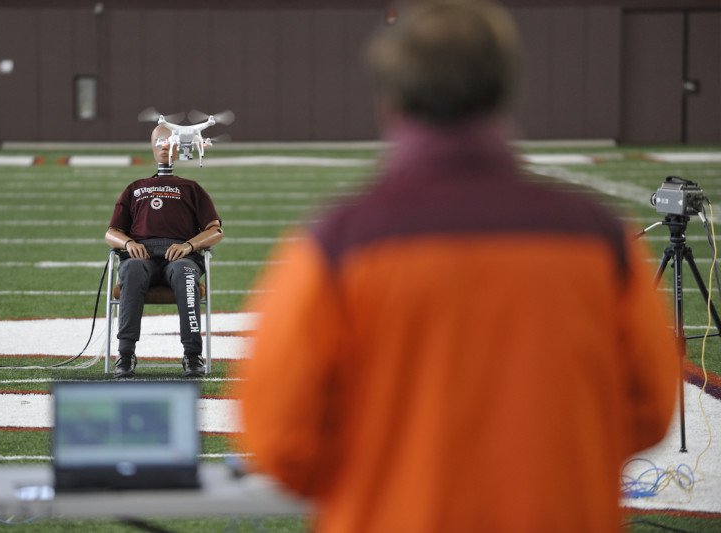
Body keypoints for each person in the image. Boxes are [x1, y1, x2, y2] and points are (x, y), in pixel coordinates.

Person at [236, 1, 679, 531]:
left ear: (390, 98)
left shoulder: (337, 244)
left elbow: (281, 443)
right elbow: (650, 411)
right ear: (506, 89)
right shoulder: (601, 237)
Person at [105, 123, 223, 379]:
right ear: (151, 147)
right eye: (159, 142)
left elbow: (216, 231)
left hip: (181, 255)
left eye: (170, 141)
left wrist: (189, 245)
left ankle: (192, 355)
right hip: (140, 255)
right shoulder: (135, 187)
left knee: (185, 274)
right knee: (132, 271)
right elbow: (110, 232)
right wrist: (128, 243)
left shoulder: (191, 188)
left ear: (180, 146)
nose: (165, 146)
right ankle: (125, 355)